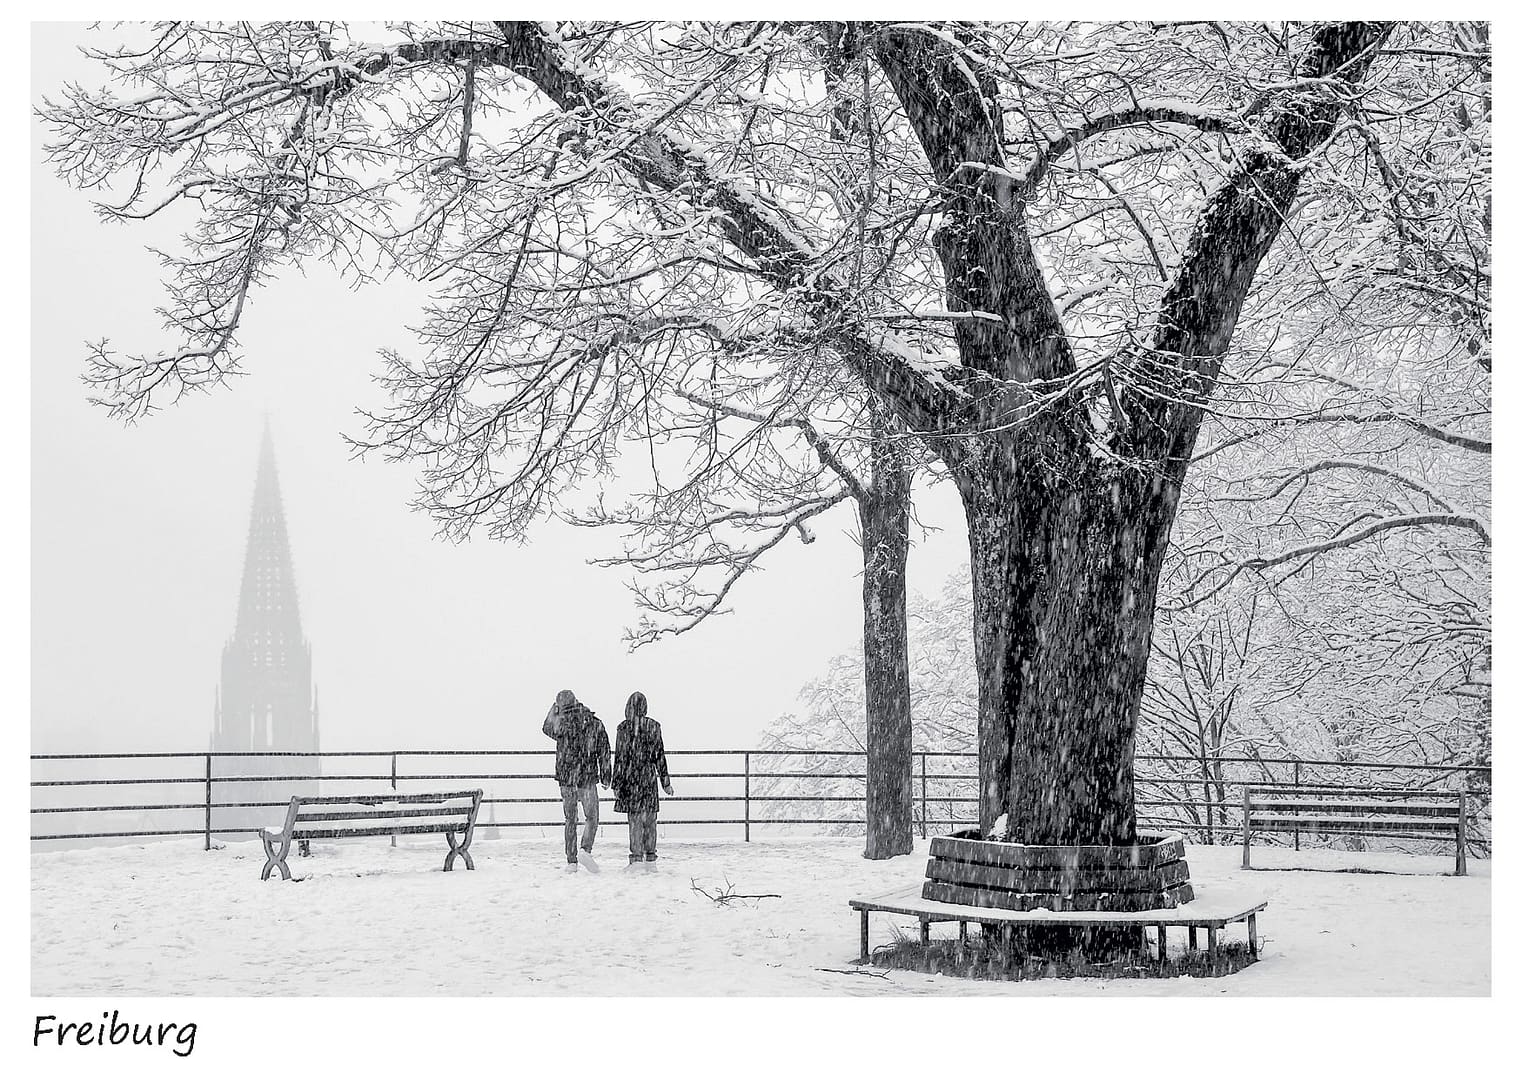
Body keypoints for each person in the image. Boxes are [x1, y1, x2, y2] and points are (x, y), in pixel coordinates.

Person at [542, 690, 611, 870]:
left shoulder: (560, 724)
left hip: (566, 778)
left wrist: (554, 709)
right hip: (586, 776)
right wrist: (606, 776)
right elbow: (604, 751)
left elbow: (545, 728)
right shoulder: (593, 722)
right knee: (592, 817)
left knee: (570, 818)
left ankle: (571, 861)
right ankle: (585, 849)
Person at [612, 691, 673, 864]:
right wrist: (665, 782)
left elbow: (620, 759)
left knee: (635, 819)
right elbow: (660, 756)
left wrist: (616, 784)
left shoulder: (623, 728)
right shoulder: (654, 726)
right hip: (648, 777)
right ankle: (651, 854)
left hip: (630, 779)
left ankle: (636, 857)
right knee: (650, 819)